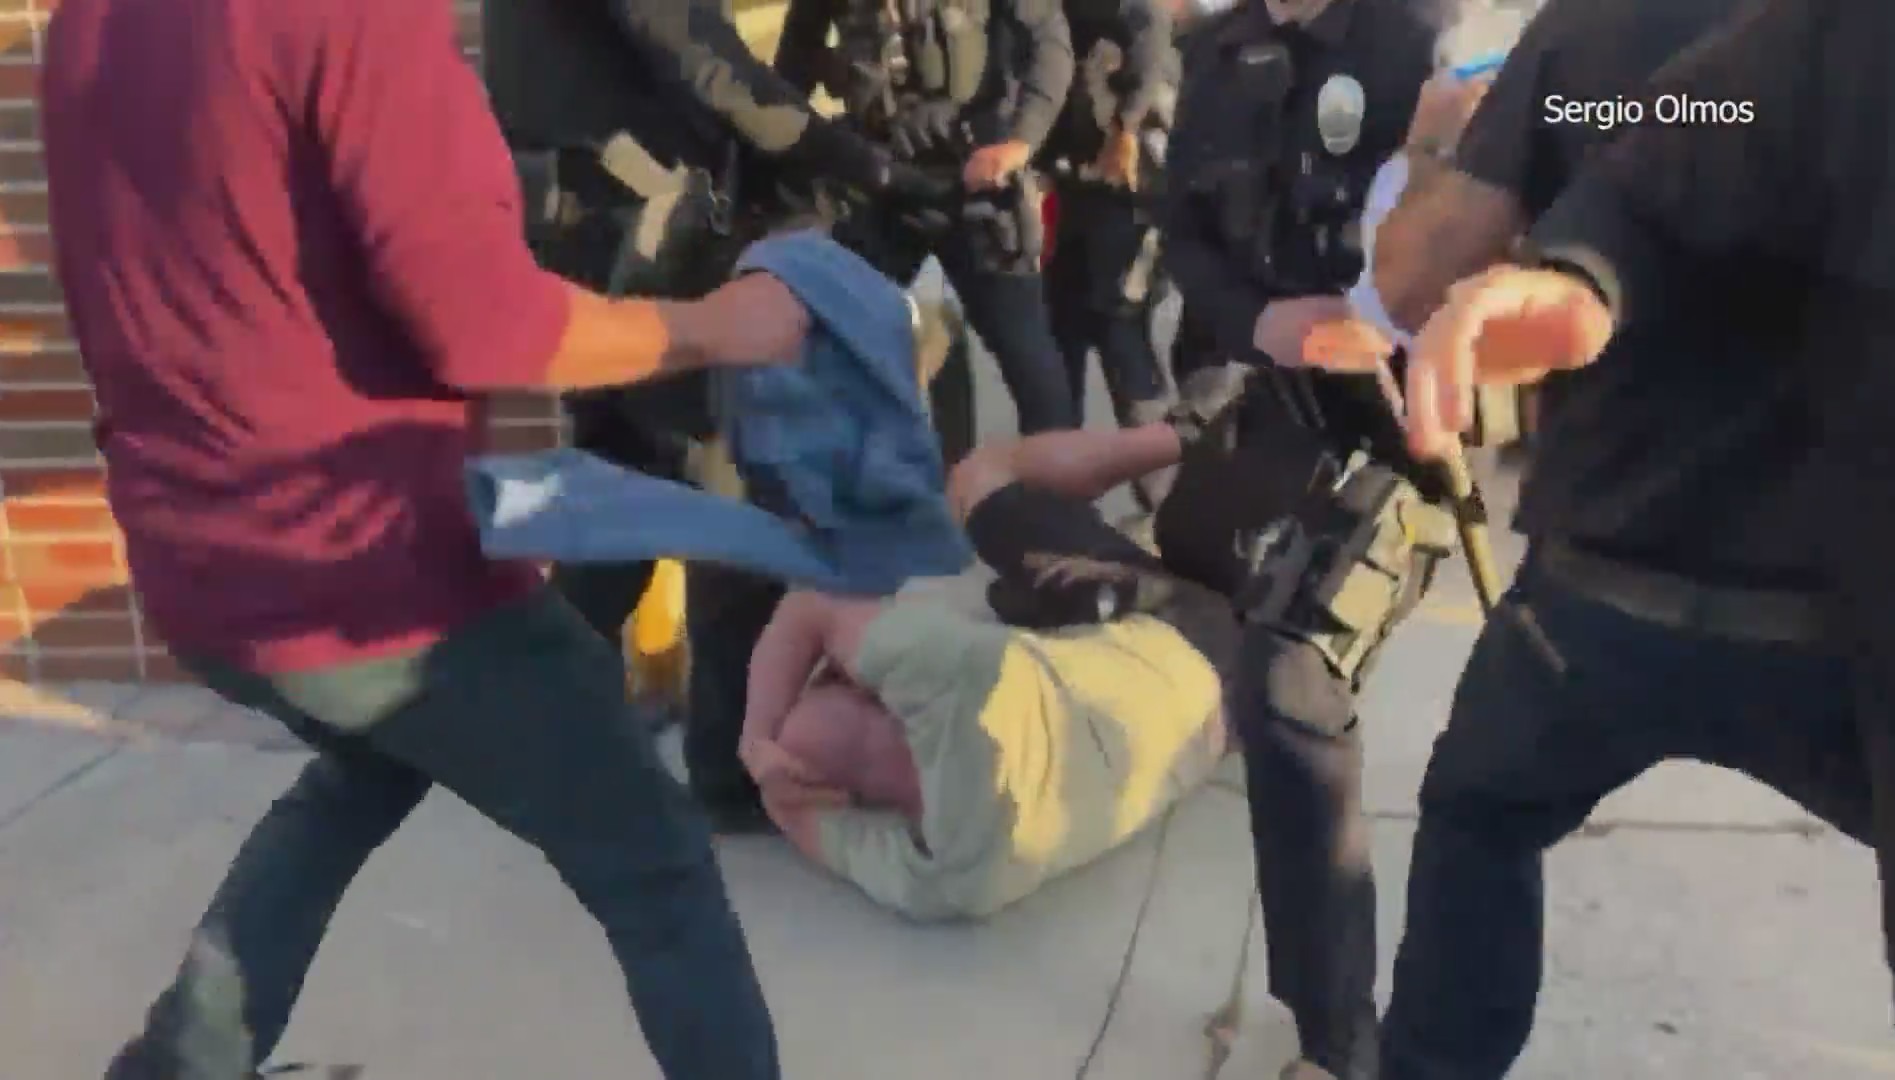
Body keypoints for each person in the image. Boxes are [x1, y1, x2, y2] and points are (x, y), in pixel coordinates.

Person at [41, 0, 815, 1076]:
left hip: (191, 562)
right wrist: (719, 325)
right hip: (375, 587)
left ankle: (179, 1063)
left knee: (360, 777)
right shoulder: (359, 18)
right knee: (659, 862)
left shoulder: (91, 19)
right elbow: (489, 326)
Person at [1325, 1, 1895, 1074]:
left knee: (1480, 808)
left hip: (1608, 598)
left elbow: (1410, 280)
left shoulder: (1586, 39)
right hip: (1847, 629)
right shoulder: (1822, 44)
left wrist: (1438, 132)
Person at [482, 0, 947, 832]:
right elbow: (712, 67)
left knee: (621, 486)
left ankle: (533, 731)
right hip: (640, 238)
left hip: (587, 232)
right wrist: (862, 164)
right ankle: (727, 773)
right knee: (730, 487)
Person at [1158, 1, 1458, 1075]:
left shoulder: (1418, 37)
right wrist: (1257, 321)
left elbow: (1510, 200)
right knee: (1240, 629)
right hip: (1271, 403)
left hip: (1404, 419)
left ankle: (1342, 1042)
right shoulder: (1215, 52)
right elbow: (1182, 225)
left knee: (1297, 680)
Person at [736, 430, 1238, 919]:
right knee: (981, 476)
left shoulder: (957, 880)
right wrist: (756, 740)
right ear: (874, 692)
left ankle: (1041, 599)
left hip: (1222, 726)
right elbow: (810, 607)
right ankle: (1179, 434)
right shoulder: (949, 667)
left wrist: (774, 782)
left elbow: (796, 814)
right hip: (1188, 629)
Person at [774, 0, 1082, 438]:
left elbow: (1050, 42)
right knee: (841, 353)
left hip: (977, 187)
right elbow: (793, 65)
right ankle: (908, 489)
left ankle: (1061, 496)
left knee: (1032, 367)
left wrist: (1020, 141)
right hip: (882, 186)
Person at [1038, 0, 1180, 429]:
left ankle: (1163, 486)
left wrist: (1127, 124)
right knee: (1060, 335)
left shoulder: (1138, 24)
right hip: (1067, 190)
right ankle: (1060, 482)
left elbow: (1150, 23)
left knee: (1121, 334)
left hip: (1129, 198)